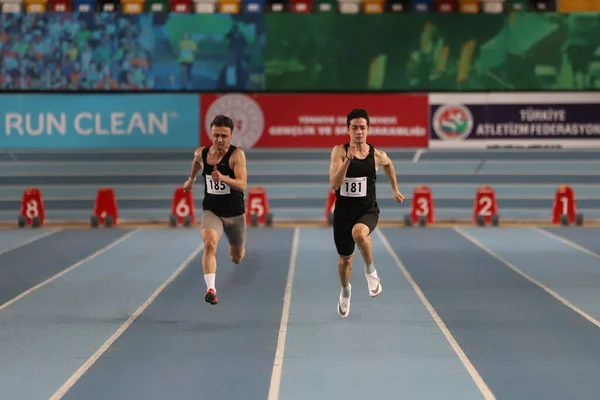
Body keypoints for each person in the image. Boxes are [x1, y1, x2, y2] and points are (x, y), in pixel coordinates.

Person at [328, 108, 405, 318]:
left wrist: (395, 189)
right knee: (345, 260)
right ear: (348, 130)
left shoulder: (377, 155)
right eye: (354, 128)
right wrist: (348, 161)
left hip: (367, 209)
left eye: (363, 128)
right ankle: (345, 291)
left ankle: (371, 272)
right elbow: (334, 183)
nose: (359, 132)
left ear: (368, 130)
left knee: (360, 234)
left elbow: (389, 165)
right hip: (344, 212)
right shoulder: (339, 151)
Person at [183, 114, 248, 305]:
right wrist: (192, 179)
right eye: (216, 135)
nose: (219, 139)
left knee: (236, 257)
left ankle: (234, 246)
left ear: (231, 136)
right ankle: (211, 288)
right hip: (212, 211)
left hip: (235, 214)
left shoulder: (236, 155)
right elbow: (196, 161)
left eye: (224, 136)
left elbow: (242, 184)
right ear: (211, 134)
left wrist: (223, 178)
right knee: (209, 244)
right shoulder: (202, 153)